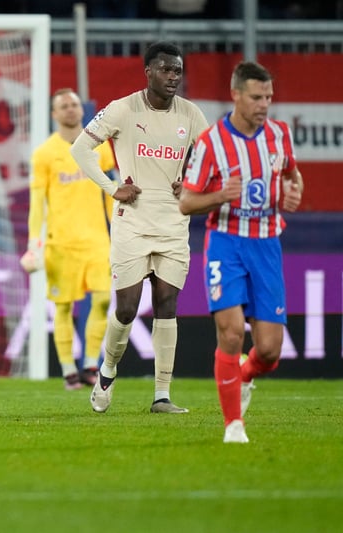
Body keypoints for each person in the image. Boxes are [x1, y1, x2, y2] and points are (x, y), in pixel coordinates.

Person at [70, 41, 208, 414]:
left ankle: (162, 395)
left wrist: (192, 182)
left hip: (174, 222)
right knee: (128, 308)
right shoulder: (123, 109)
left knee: (167, 304)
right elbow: (80, 149)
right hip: (132, 221)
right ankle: (107, 371)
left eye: (177, 71)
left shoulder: (191, 114)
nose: (173, 77)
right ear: (148, 72)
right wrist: (112, 187)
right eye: (166, 69)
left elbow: (211, 157)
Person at [179, 61, 303, 443]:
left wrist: (295, 191)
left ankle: (246, 375)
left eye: (268, 97)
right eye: (256, 97)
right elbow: (186, 202)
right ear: (235, 95)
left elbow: (292, 174)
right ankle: (233, 425)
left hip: (266, 245)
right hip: (226, 242)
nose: (264, 104)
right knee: (231, 333)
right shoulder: (211, 142)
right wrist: (220, 195)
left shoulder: (280, 134)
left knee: (269, 351)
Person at [23, 88, 116, 390]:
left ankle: (89, 364)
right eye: (63, 106)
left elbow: (111, 193)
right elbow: (37, 203)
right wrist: (33, 243)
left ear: (81, 109)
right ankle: (68, 371)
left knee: (102, 300)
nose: (70, 109)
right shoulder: (44, 153)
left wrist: (120, 230)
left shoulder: (100, 147)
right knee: (63, 308)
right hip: (60, 243)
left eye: (74, 104)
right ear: (54, 114)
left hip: (97, 240)